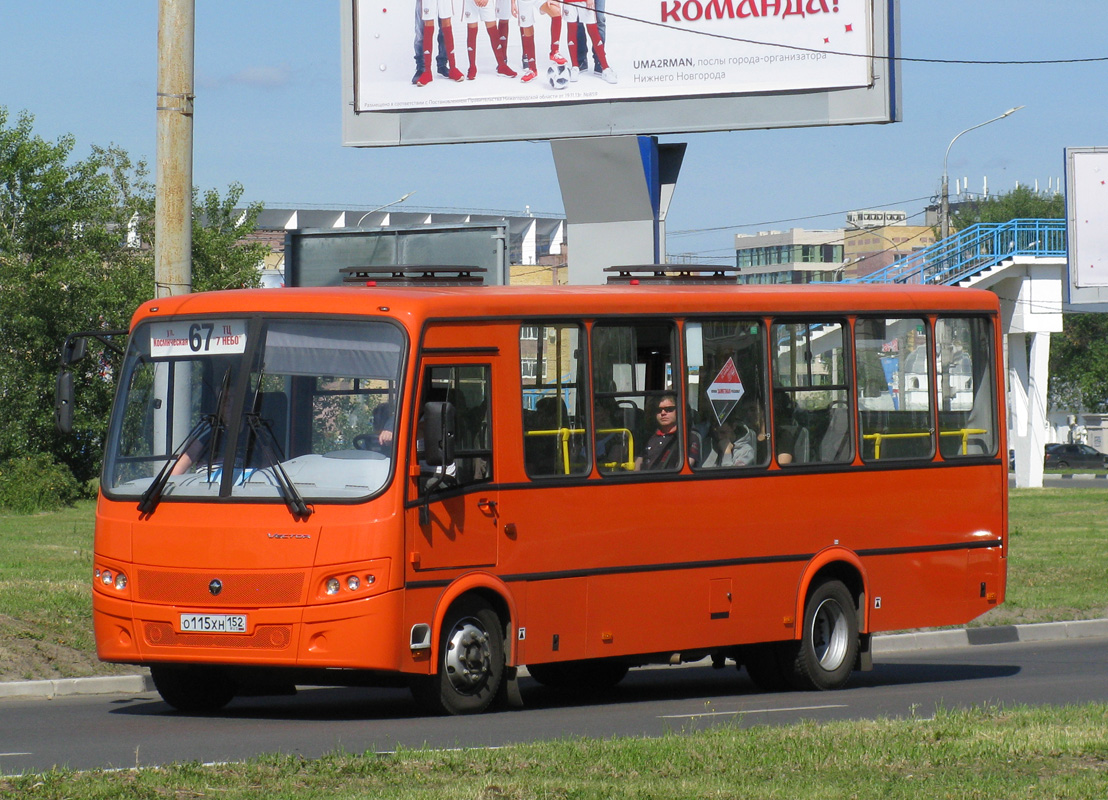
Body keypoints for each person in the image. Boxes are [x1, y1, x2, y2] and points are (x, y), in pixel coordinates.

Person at [635, 393, 698, 471]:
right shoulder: (648, 438)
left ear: (678, 410)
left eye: (669, 409)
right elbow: (637, 466)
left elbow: (687, 467)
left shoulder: (688, 437)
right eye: (659, 410)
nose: (663, 413)